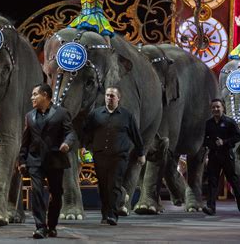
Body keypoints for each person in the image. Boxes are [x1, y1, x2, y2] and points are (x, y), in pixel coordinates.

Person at [18, 83, 76, 239]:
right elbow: (26, 140)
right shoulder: (29, 116)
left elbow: (70, 133)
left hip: (55, 159)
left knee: (56, 195)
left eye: (35, 94)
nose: (32, 97)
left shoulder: (62, 113)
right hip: (35, 160)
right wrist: (22, 160)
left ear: (45, 95)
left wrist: (66, 144)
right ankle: (40, 227)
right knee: (37, 192)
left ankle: (51, 225)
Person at [81, 86, 145, 225]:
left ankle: (112, 215)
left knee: (114, 185)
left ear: (118, 98)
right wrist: (84, 146)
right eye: (107, 95)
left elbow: (136, 135)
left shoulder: (127, 115)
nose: (109, 98)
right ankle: (105, 214)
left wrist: (141, 153)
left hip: (119, 156)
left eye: (112, 96)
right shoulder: (95, 114)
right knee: (103, 186)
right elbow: (87, 132)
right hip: (100, 155)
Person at [202, 99, 240, 216]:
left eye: (218, 107)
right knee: (212, 182)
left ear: (223, 108)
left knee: (232, 180)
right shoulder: (208, 123)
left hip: (227, 155)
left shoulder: (229, 122)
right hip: (213, 156)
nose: (215, 109)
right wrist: (209, 144)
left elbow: (238, 137)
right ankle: (211, 207)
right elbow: (204, 139)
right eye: (213, 107)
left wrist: (224, 142)